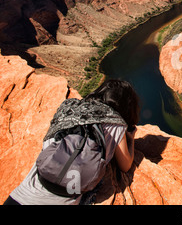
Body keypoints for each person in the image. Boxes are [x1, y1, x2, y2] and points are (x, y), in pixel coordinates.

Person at [3, 79, 140, 205]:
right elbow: (125, 165)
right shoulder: (116, 123)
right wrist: (131, 139)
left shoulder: (68, 107)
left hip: (23, 194)